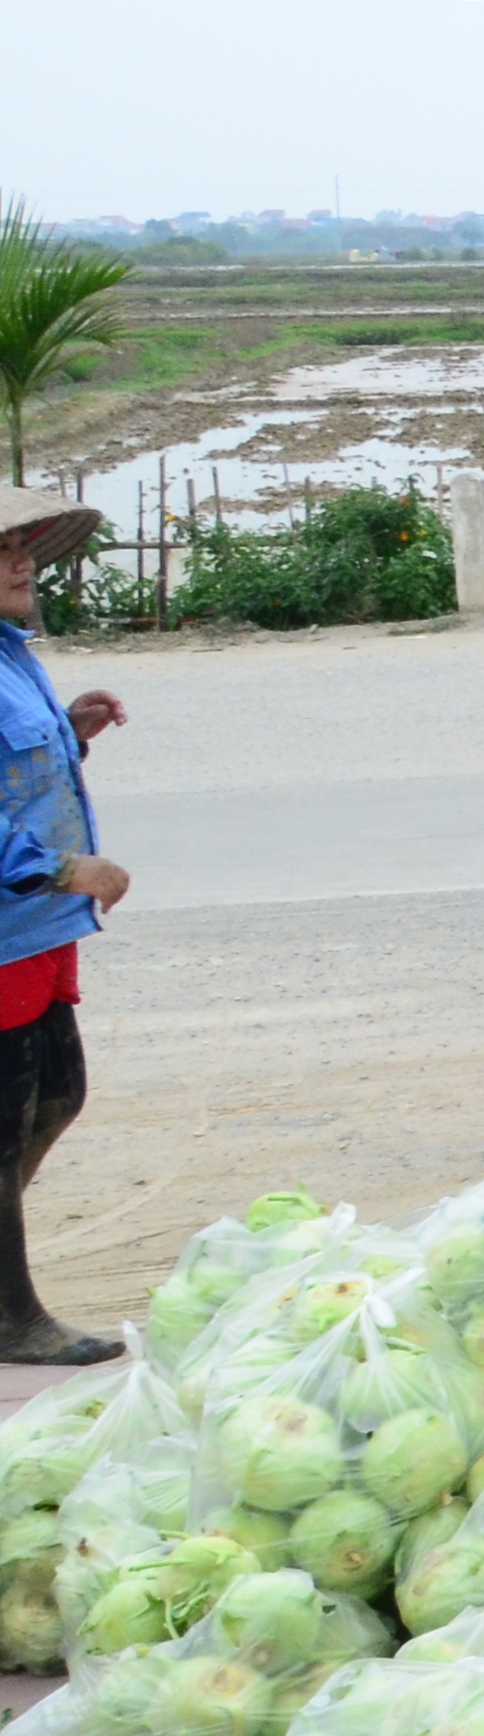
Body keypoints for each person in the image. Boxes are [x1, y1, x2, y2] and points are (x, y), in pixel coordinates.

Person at [0, 486, 130, 1363]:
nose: (22, 560)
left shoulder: (13, 654)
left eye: (23, 545)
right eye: (3, 549)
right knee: (4, 1124)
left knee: (58, 1097)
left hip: (39, 931)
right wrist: (56, 868)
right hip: (13, 922)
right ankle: (12, 1318)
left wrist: (72, 733)